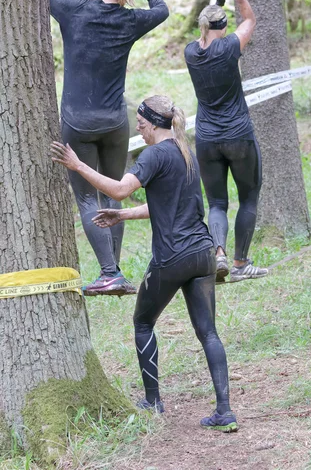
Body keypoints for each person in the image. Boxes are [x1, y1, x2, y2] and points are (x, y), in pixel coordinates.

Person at [50, 95, 238, 432]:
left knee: (142, 322)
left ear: (153, 123)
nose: (137, 127)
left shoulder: (154, 155)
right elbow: (163, 205)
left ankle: (153, 400)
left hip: (172, 258)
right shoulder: (185, 153)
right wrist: (123, 215)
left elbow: (121, 188)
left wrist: (78, 166)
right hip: (203, 255)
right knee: (208, 331)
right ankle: (225, 411)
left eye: (140, 122)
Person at [49, 0, 169, 296]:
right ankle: (113, 271)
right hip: (116, 121)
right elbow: (162, 10)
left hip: (78, 122)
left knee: (87, 197)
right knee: (115, 191)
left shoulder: (74, 9)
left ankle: (109, 272)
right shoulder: (131, 20)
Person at [184, 0, 269, 283]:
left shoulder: (191, 52)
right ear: (223, 26)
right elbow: (249, 19)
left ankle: (218, 253)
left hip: (207, 138)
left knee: (217, 202)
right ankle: (240, 263)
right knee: (248, 197)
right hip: (238, 136)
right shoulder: (230, 46)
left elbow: (207, 27)